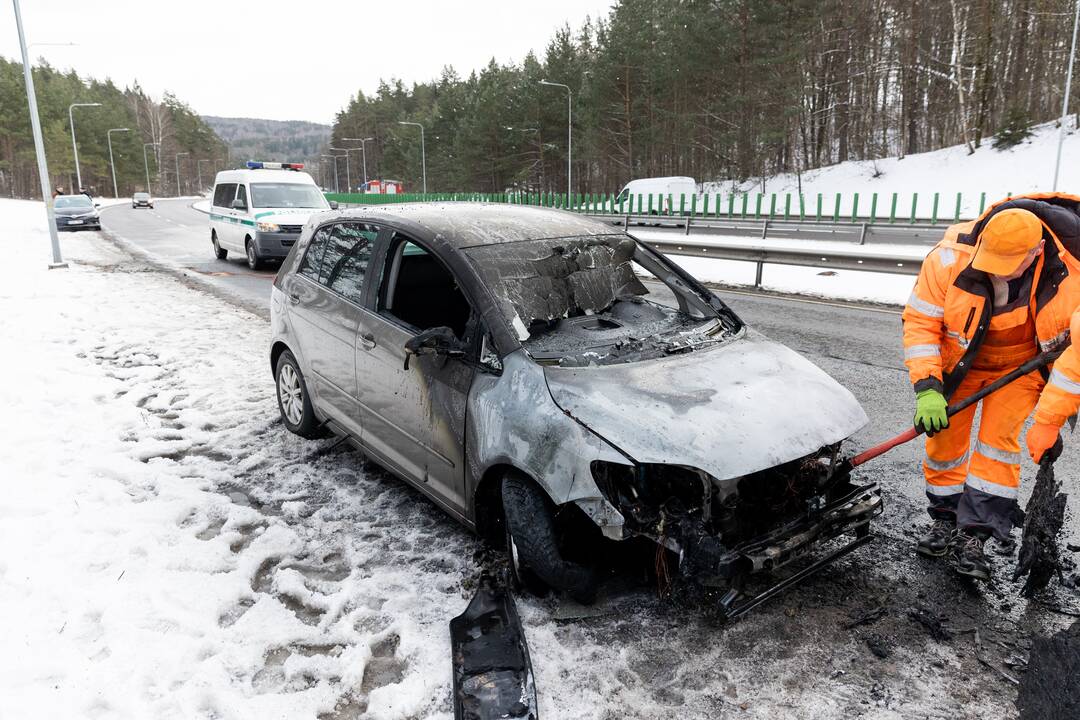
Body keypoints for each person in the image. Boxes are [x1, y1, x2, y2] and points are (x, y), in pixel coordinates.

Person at [903, 194, 1080, 581]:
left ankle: (977, 535)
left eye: (1008, 267)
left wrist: (1050, 419)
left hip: (1019, 368)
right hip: (960, 365)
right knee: (944, 444)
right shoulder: (948, 258)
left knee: (997, 446)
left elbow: (1075, 358)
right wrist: (928, 387)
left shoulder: (1071, 274)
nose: (998, 273)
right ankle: (945, 519)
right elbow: (920, 324)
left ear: (1037, 252)